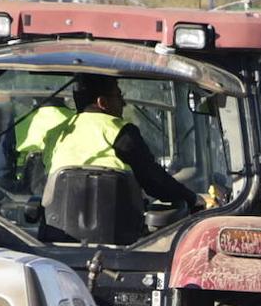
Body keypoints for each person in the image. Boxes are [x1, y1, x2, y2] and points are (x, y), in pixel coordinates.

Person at [47, 74, 202, 214]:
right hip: (118, 232)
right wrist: (192, 199)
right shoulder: (120, 131)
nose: (123, 103)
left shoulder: (55, 133)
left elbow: (43, 182)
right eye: (118, 96)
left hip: (55, 230)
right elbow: (154, 181)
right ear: (102, 102)